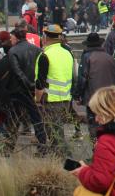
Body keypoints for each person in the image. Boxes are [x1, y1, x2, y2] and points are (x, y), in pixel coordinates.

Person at [4, 28, 47, 154]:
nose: (10, 40)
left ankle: (8, 148)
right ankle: (42, 146)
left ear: (16, 37)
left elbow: (17, 72)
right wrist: (36, 86)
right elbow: (42, 70)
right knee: (36, 118)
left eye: (11, 37)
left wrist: (28, 85)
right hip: (33, 90)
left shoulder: (13, 51)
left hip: (18, 91)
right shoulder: (37, 49)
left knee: (13, 120)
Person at [35, 23, 75, 157]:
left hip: (50, 100)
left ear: (45, 37)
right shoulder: (68, 53)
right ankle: (61, 156)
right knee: (58, 130)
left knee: (54, 132)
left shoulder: (45, 55)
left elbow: (40, 81)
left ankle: (64, 159)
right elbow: (73, 75)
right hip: (66, 99)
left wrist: (38, 99)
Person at [74, 32, 115, 138]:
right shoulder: (109, 57)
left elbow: (82, 79)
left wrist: (77, 95)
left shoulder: (87, 57)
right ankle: (105, 144)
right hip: (108, 97)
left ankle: (96, 147)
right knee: (106, 122)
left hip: (92, 96)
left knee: (93, 123)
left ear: (88, 44)